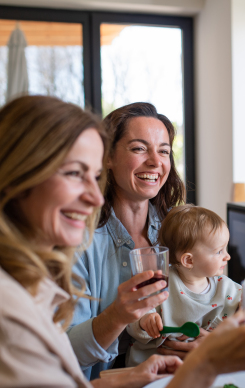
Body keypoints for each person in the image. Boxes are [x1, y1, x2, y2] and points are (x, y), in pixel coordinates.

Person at [0, 95, 245, 388]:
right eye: (74, 173)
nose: (95, 196)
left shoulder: (175, 228)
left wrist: (129, 377)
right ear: (15, 180)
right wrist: (204, 364)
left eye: (163, 150)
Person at [67, 103, 200, 379]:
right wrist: (116, 316)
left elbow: (209, 300)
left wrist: (201, 336)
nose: (155, 161)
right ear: (107, 157)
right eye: (139, 148)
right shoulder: (77, 241)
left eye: (164, 151)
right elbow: (64, 354)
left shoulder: (180, 230)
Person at [126, 205, 241, 366]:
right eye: (219, 251)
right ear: (189, 260)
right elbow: (131, 316)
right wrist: (145, 320)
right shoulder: (160, 283)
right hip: (153, 369)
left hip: (201, 368)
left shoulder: (225, 287)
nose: (227, 256)